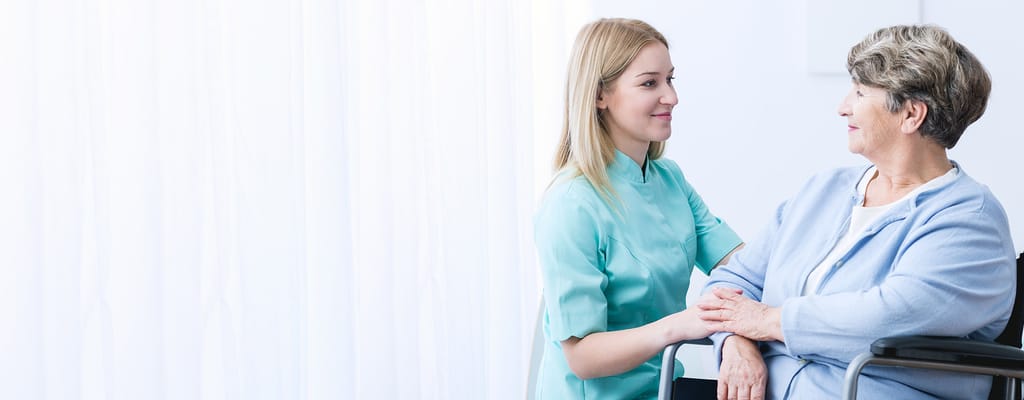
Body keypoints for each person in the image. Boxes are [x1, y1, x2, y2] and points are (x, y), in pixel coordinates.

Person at [697, 24, 1017, 399]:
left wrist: (765, 321)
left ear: (911, 115)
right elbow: (731, 284)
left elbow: (890, 316)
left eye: (861, 92)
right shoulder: (823, 191)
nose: (843, 106)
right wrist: (737, 344)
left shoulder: (969, 221)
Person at [532, 18, 744, 399]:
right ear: (600, 95)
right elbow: (582, 356)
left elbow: (742, 267)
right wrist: (679, 325)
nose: (671, 97)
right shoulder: (571, 204)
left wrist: (739, 338)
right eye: (650, 83)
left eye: (670, 79)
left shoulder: (669, 180)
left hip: (664, 388)